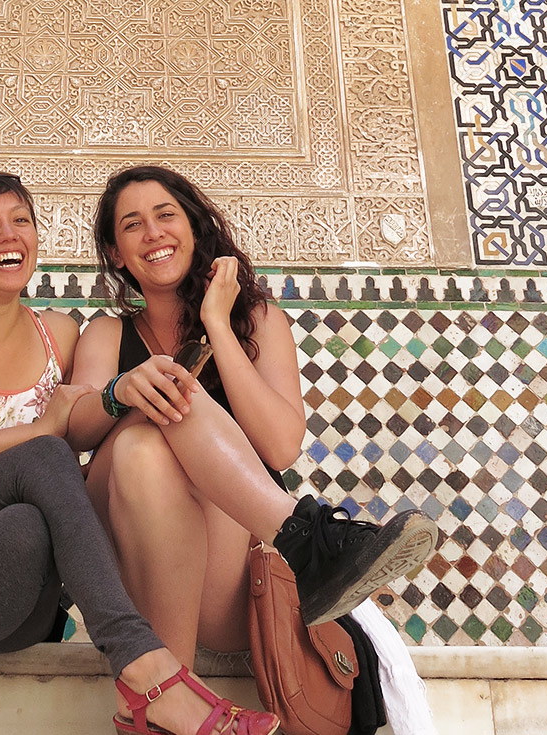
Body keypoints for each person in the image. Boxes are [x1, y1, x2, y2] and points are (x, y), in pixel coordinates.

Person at [0, 171, 281, 735]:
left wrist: (96, 407)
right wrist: (41, 433)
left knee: (29, 524)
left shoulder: (62, 335)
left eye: (21, 221)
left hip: (11, 599)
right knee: (47, 457)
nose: (9, 235)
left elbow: (82, 428)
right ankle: (144, 667)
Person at [67, 165, 439, 666]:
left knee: (149, 440)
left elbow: (281, 447)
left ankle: (166, 698)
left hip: (225, 582)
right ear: (115, 251)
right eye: (132, 225)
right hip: (130, 567)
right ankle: (310, 540)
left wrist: (217, 325)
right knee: (145, 428)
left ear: (194, 228)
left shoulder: (257, 320)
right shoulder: (106, 336)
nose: (153, 233)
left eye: (165, 215)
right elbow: (72, 430)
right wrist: (122, 391)